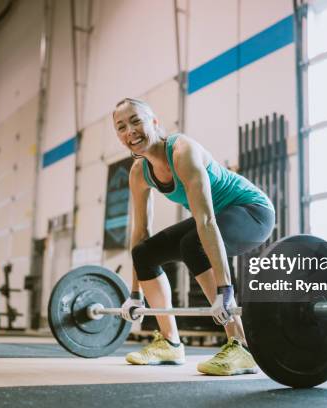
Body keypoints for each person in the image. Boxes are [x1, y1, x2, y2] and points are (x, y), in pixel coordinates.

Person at [112, 97, 275, 375]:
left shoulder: (182, 151)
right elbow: (140, 233)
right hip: (215, 219)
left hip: (252, 212)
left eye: (136, 121)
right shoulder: (139, 172)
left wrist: (225, 292)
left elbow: (206, 220)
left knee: (193, 243)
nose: (130, 131)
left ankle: (242, 346)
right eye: (121, 127)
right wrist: (134, 294)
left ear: (154, 122)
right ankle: (170, 343)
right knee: (144, 253)